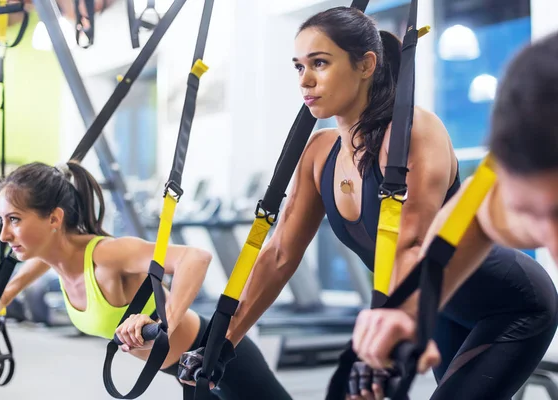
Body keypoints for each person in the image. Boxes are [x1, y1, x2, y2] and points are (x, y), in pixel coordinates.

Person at [212, 7, 558, 400]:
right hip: (439, 300)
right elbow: (279, 255)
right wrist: (224, 341)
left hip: (511, 304)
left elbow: (409, 243)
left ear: (366, 65)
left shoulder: (412, 133)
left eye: (320, 63)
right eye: (298, 67)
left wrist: (392, 323)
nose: (305, 80)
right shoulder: (319, 152)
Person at [0, 160, 292, 400]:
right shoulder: (58, 258)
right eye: (2, 220)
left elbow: (196, 257)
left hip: (218, 354)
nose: (4, 234)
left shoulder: (108, 255)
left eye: (14, 220)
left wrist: (163, 323)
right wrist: (7, 291)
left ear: (55, 218)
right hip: (188, 374)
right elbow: (45, 256)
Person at [350, 30, 558, 387]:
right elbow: (473, 215)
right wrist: (412, 307)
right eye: (536, 215)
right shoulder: (523, 199)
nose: (551, 245)